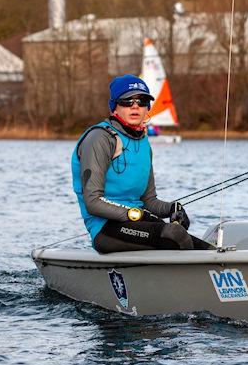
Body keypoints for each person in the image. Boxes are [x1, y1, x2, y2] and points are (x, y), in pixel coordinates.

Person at [71, 74, 207, 253]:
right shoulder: (99, 138)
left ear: (147, 108)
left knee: (205, 247)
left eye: (141, 101)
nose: (135, 106)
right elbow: (93, 202)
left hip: (138, 223)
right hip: (106, 229)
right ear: (115, 107)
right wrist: (134, 214)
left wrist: (173, 208)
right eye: (127, 101)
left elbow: (148, 201)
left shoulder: (143, 142)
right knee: (174, 234)